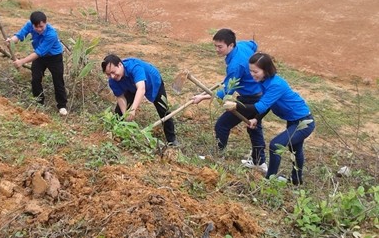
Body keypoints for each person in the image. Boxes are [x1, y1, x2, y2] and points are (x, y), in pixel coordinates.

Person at [223, 52, 315, 185]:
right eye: (250, 71)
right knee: (295, 150)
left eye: (255, 71)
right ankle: (296, 180)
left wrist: (236, 105)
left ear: (266, 70)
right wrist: (256, 118)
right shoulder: (264, 81)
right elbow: (267, 103)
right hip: (293, 121)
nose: (252, 74)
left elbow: (260, 106)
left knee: (275, 145)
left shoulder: (276, 84)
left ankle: (268, 180)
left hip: (304, 122)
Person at [192, 29, 267, 172]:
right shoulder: (244, 45)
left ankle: (217, 157)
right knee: (254, 127)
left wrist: (202, 97)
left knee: (222, 125)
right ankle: (260, 162)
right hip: (260, 92)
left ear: (231, 45)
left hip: (251, 98)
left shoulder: (235, 66)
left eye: (220, 47)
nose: (217, 50)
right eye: (215, 46)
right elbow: (254, 44)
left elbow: (226, 92)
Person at [101, 54, 178, 146]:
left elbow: (141, 88)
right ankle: (122, 135)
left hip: (152, 82)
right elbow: (120, 97)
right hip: (131, 87)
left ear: (120, 65)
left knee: (163, 110)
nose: (112, 76)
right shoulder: (113, 80)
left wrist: (133, 110)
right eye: (108, 74)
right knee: (119, 113)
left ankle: (172, 140)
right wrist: (125, 113)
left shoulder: (134, 67)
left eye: (113, 72)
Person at [6, 11, 68, 116]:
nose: (39, 29)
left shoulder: (51, 34)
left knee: (58, 81)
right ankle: (39, 102)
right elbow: (20, 35)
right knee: (35, 78)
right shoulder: (29, 25)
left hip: (54, 57)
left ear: (45, 23)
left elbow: (39, 52)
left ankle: (62, 105)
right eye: (36, 27)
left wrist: (21, 61)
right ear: (32, 24)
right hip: (40, 57)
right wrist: (11, 41)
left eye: (41, 26)